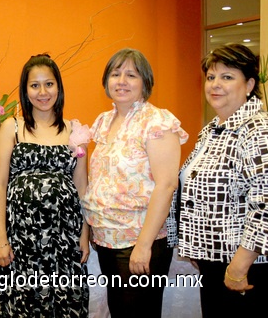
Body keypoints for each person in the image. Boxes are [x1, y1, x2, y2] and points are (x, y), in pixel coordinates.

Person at [169, 43, 268, 318]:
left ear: (250, 84)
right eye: (211, 77)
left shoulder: (262, 129)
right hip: (217, 260)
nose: (215, 84)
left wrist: (238, 267)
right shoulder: (213, 130)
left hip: (251, 264)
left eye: (227, 77)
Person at [81, 48, 189, 318]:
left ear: (145, 82)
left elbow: (166, 185)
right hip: (107, 240)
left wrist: (144, 245)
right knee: (119, 311)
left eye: (131, 75)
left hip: (140, 240)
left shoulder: (157, 121)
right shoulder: (104, 121)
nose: (122, 81)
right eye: (116, 74)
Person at [0, 54, 90, 317]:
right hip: (21, 241)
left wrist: (84, 234)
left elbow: (82, 187)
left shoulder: (75, 130)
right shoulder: (11, 128)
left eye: (49, 84)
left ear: (59, 87)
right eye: (34, 85)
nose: (43, 92)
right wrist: (0, 238)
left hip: (65, 240)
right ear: (25, 90)